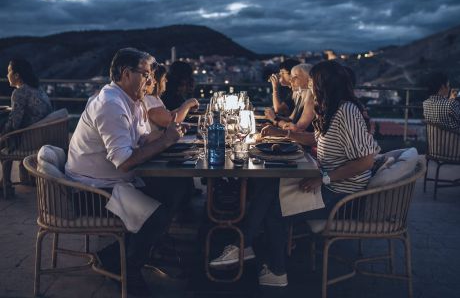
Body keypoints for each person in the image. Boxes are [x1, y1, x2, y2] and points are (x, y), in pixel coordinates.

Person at [210, 60, 380, 287]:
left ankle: (272, 267)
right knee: (268, 186)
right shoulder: (331, 109)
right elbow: (316, 139)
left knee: (275, 208)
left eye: (312, 83)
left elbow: (366, 161)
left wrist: (323, 178)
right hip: (330, 184)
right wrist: (283, 134)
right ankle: (245, 248)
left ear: (324, 85)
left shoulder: (347, 111)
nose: (309, 88)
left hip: (344, 195)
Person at [65, 48, 186, 295]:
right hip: (90, 192)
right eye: (146, 76)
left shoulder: (129, 101)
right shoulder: (110, 104)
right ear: (125, 73)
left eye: (152, 77)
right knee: (157, 214)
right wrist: (165, 142)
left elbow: (143, 138)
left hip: (110, 181)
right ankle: (128, 271)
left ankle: (118, 254)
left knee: (177, 189)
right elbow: (124, 161)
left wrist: (169, 137)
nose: (151, 82)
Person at [1, 58, 52, 134]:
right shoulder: (37, 88)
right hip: (43, 131)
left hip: (30, 136)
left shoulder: (19, 92)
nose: (7, 75)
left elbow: (14, 124)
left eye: (9, 71)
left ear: (16, 75)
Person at [143, 64, 199, 131]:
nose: (166, 80)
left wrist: (186, 108)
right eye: (164, 78)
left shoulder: (154, 98)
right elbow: (171, 121)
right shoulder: (149, 99)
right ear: (157, 81)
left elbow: (168, 114)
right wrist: (188, 103)